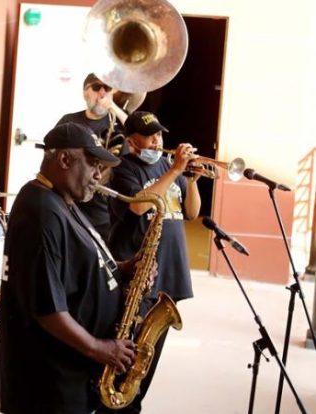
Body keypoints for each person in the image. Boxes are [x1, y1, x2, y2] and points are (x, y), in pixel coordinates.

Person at [0, 122, 147, 414]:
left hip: (73, 379)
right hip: (50, 388)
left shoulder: (62, 200)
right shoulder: (41, 212)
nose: (98, 175)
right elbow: (48, 310)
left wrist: (125, 268)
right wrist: (100, 348)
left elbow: (76, 265)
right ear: (64, 159)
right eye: (92, 163)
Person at [104, 111, 201, 413]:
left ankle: (135, 402)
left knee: (149, 357)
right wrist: (175, 171)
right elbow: (138, 207)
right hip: (139, 276)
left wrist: (192, 180)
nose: (158, 141)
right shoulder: (124, 170)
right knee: (129, 353)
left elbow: (192, 212)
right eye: (150, 136)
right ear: (133, 142)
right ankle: (118, 403)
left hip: (169, 275)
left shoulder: (168, 167)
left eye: (160, 135)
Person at [55, 73, 129, 241]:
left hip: (101, 211)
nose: (102, 93)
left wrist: (114, 108)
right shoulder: (69, 120)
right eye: (96, 88)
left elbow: (138, 131)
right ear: (85, 92)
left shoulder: (117, 124)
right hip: (69, 204)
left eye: (107, 89)